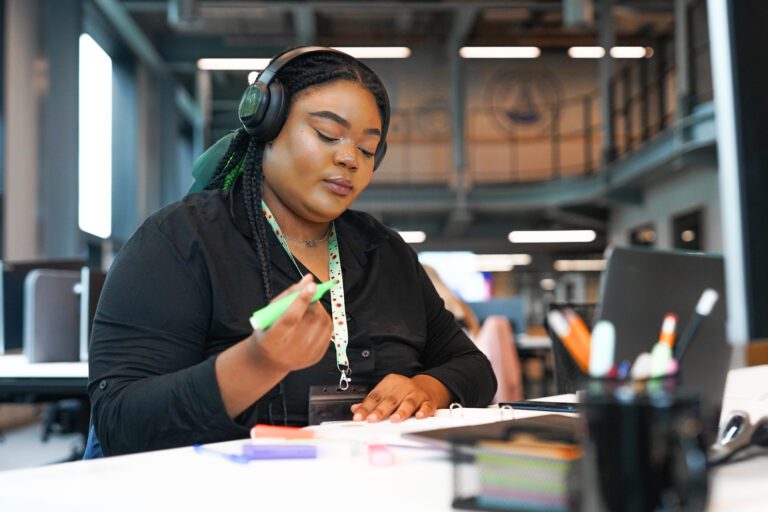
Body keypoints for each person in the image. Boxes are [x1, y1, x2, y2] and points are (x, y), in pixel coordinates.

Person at [86, 46, 497, 457]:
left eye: (368, 149)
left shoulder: (385, 253)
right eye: (326, 134)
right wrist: (256, 362)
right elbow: (121, 422)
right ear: (267, 125)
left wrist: (426, 388)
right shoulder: (178, 241)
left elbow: (474, 367)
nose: (349, 157)